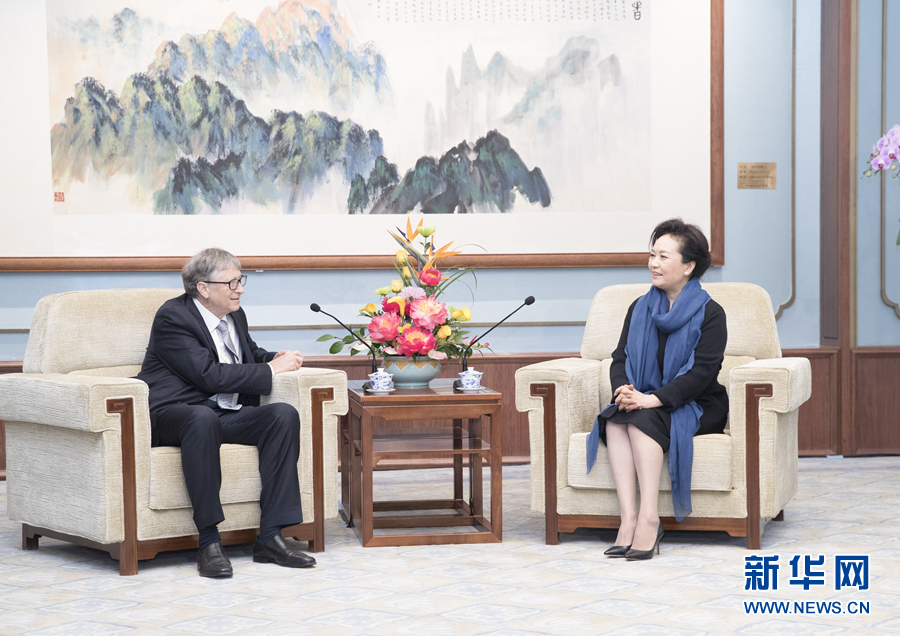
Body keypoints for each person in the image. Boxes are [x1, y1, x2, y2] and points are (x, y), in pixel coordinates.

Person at [137, 247, 315, 578]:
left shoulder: (235, 315)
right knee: (201, 418)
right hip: (174, 413)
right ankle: (209, 542)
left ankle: (270, 536)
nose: (240, 289)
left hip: (221, 411)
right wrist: (271, 370)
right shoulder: (173, 318)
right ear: (203, 288)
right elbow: (209, 376)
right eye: (232, 283)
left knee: (282, 415)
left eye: (240, 280)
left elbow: (247, 354)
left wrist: (274, 358)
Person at [586, 219, 728, 561]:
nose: (653, 263)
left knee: (639, 419)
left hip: (698, 403)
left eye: (663, 257)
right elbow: (620, 358)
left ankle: (650, 519)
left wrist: (652, 399)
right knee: (616, 418)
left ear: (688, 266)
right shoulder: (639, 307)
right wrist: (624, 390)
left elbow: (702, 373)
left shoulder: (711, 313)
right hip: (643, 395)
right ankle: (628, 519)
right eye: (652, 255)